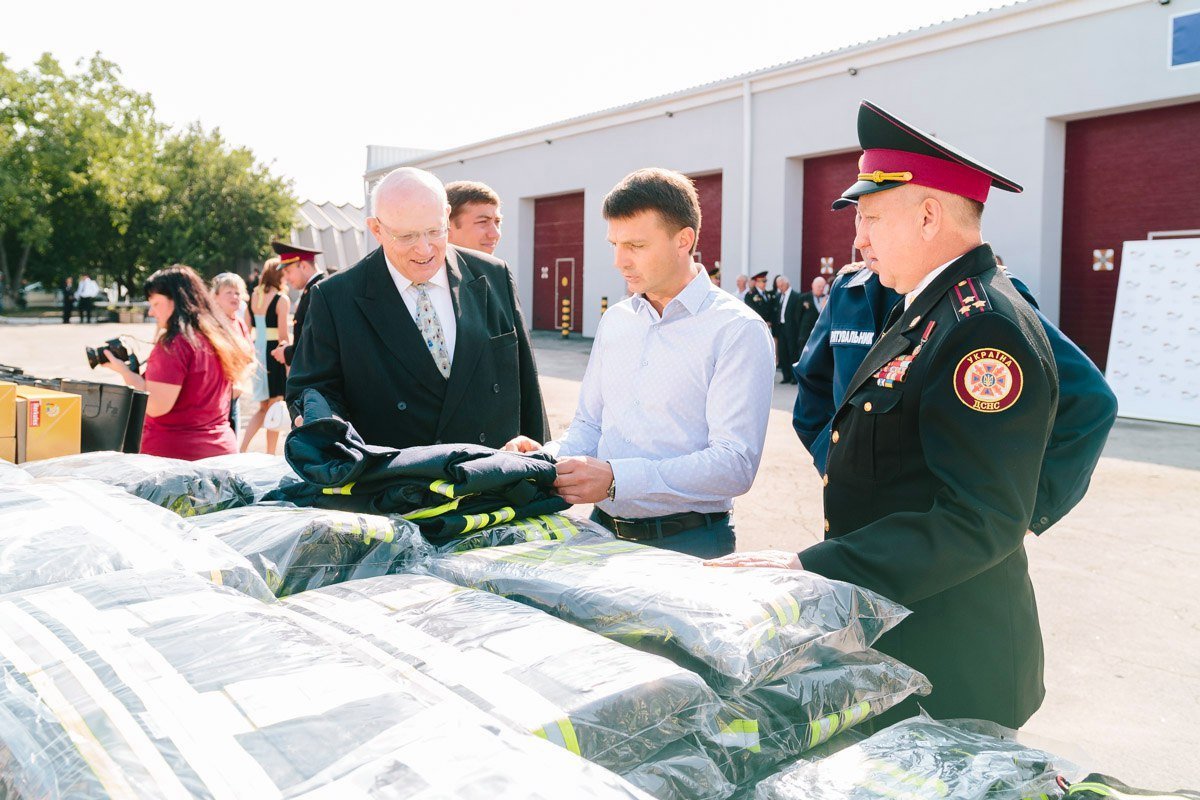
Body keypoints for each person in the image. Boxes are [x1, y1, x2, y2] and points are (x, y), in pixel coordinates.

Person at [710, 100, 1060, 729]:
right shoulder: (927, 308)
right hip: (904, 631)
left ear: (929, 216)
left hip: (956, 660)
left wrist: (810, 567)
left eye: (870, 218)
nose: (857, 239)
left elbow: (981, 519)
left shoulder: (981, 329)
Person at [504, 168, 774, 558]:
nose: (619, 261)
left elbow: (734, 464)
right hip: (600, 534)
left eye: (635, 245)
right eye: (614, 243)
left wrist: (617, 479)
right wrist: (545, 459)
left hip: (687, 544)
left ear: (684, 240)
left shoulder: (736, 329)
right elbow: (590, 425)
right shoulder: (617, 320)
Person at [793, 255, 1116, 530]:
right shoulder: (847, 289)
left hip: (936, 525)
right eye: (858, 215)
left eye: (875, 216)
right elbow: (813, 386)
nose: (861, 236)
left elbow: (1089, 401)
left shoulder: (984, 296)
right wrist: (838, 462)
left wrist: (1024, 514)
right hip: (852, 513)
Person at [286, 167, 548, 450]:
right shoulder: (334, 297)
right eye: (407, 236)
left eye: (434, 231)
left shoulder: (494, 275)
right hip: (396, 484)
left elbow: (528, 388)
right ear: (376, 229)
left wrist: (545, 471)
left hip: (493, 478)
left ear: (446, 215)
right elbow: (313, 389)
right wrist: (319, 420)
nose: (424, 250)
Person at [102, 264, 252, 460]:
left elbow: (156, 405)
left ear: (176, 301)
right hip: (220, 451)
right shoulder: (219, 336)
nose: (151, 313)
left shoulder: (175, 345)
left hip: (177, 461)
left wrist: (125, 373)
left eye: (156, 304)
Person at [242, 258, 291, 454]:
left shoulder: (254, 296)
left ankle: (242, 448)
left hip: (258, 351)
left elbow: (246, 328)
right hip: (274, 353)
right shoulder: (281, 299)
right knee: (274, 407)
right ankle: (270, 454)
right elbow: (283, 335)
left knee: (264, 408)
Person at [210, 272, 254, 436]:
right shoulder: (210, 324)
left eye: (237, 292)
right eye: (229, 292)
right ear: (215, 297)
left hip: (234, 396)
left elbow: (250, 357)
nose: (235, 296)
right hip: (214, 398)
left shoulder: (240, 323)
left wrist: (240, 383)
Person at [273, 243, 323, 367]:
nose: (286, 278)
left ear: (304, 266)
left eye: (288, 271)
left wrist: (287, 353)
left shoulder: (318, 291)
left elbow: (316, 344)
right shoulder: (314, 289)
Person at [446, 181, 503, 255]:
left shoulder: (497, 266)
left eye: (497, 222)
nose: (495, 234)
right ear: (447, 227)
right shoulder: (430, 266)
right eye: (483, 221)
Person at [773, 276, 803, 384]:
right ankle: (786, 376)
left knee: (792, 352)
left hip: (792, 329)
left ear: (787, 284)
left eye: (781, 285)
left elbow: (798, 315)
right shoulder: (778, 297)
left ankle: (794, 377)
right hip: (781, 328)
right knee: (783, 352)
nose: (780, 288)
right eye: (778, 286)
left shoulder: (796, 296)